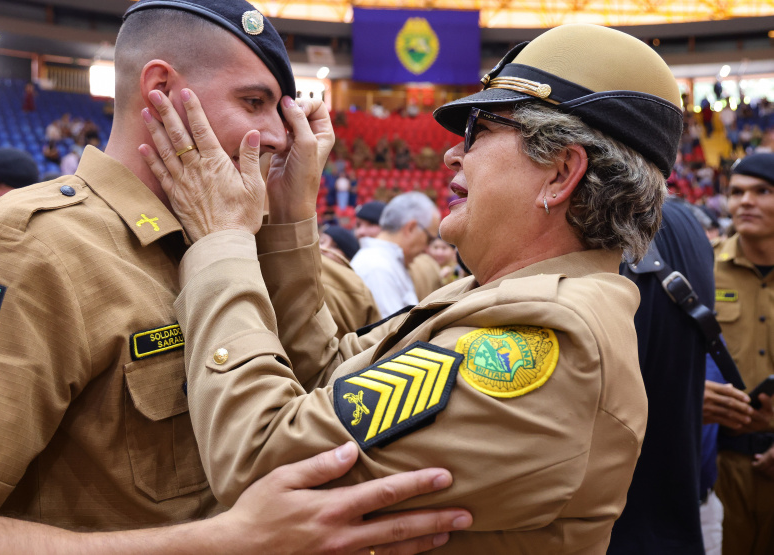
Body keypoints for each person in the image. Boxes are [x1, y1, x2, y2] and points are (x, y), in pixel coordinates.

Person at [0, 1, 470, 552]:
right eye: (253, 103)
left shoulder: (225, 244)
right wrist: (230, 540)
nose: (279, 136)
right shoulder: (32, 249)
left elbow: (302, 406)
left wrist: (288, 220)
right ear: (161, 90)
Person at [141, 22, 683, 551]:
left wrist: (222, 240)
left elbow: (262, 457)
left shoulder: (547, 337)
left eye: (480, 132)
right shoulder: (489, 294)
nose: (452, 154)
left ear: (561, 173)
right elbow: (326, 375)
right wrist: (289, 216)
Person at [608, 199, 753, 554]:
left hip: (650, 505)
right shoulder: (680, 222)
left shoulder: (643, 220)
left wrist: (682, 397)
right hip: (671, 503)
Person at [713, 152, 774, 555]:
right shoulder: (702, 267)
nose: (745, 201)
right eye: (736, 192)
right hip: (722, 463)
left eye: (762, 191)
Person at [351, 192, 440, 318]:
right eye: (429, 239)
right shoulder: (377, 267)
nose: (427, 249)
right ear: (411, 228)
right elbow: (393, 328)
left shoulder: (386, 262)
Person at [319, 225, 380, 338]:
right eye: (321, 242)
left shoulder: (359, 289)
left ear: (348, 258)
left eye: (335, 246)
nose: (323, 248)